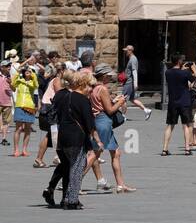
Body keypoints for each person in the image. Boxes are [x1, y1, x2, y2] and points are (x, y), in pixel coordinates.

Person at [49, 69, 104, 209]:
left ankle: (67, 198)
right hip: (76, 138)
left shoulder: (65, 96)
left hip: (63, 138)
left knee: (70, 168)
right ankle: (72, 200)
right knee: (77, 169)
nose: (92, 90)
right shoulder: (83, 100)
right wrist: (98, 141)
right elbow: (90, 124)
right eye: (90, 86)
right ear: (83, 84)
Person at [87, 65, 135, 192]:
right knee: (94, 154)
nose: (110, 78)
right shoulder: (102, 88)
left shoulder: (93, 88)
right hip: (103, 122)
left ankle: (120, 185)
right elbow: (110, 110)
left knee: (116, 153)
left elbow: (102, 105)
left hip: (99, 121)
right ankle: (75, 183)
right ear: (103, 76)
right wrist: (121, 102)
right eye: (108, 76)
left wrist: (114, 100)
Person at [162, 53, 196, 155]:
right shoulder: (185, 73)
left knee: (170, 126)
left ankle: (164, 149)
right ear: (180, 61)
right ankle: (187, 149)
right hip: (185, 101)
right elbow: (195, 79)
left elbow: (176, 77)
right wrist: (193, 70)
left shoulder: (167, 72)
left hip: (173, 102)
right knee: (185, 125)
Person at [33, 60, 64, 168]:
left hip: (48, 110)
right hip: (49, 111)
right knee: (52, 135)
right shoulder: (57, 80)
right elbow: (60, 95)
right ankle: (55, 157)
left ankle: (40, 159)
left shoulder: (55, 80)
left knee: (50, 135)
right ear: (62, 71)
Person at [11, 58, 39, 157]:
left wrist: (33, 74)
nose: (28, 72)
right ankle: (16, 150)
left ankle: (24, 149)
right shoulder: (20, 80)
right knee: (18, 129)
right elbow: (13, 83)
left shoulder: (32, 82)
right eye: (27, 71)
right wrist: (18, 73)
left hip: (29, 107)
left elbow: (36, 85)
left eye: (30, 71)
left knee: (27, 129)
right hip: (19, 105)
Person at [121, 44, 151, 118]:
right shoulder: (132, 58)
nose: (125, 52)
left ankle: (122, 116)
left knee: (122, 99)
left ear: (130, 51)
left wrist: (135, 83)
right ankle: (146, 110)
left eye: (126, 51)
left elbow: (134, 71)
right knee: (132, 99)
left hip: (129, 83)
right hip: (129, 82)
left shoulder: (133, 59)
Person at [0, 58, 13, 145]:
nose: (9, 68)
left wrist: (11, 83)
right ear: (2, 67)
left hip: (7, 101)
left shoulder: (11, 76)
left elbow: (14, 89)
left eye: (10, 66)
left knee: (6, 121)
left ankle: (4, 138)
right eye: (7, 66)